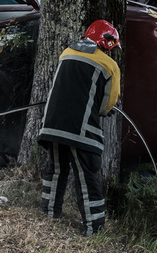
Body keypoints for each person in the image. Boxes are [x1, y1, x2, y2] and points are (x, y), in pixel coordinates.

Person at [38, 20, 121, 236]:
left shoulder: (66, 53)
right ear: (107, 43)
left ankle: (49, 213)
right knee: (87, 177)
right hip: (82, 132)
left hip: (52, 126)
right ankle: (94, 228)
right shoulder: (110, 65)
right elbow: (107, 105)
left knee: (56, 169)